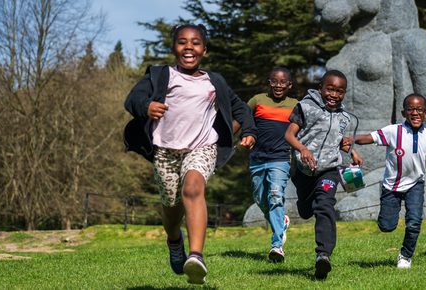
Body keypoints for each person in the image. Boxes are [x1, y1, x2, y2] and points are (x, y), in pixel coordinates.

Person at [123, 24, 256, 285]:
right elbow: (132, 99)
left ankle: (196, 257)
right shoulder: (160, 75)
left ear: (204, 50)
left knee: (193, 189)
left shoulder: (214, 81)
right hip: (165, 153)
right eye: (182, 42)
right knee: (172, 211)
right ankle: (174, 241)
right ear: (174, 47)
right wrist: (146, 105)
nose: (189, 47)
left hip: (202, 147)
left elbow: (240, 108)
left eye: (195, 43)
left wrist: (248, 130)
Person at [348, 93, 426, 269]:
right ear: (403, 113)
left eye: (419, 109)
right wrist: (352, 139)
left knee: (414, 221)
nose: (415, 113)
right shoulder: (393, 131)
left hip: (415, 184)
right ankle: (390, 216)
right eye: (411, 109)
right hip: (391, 186)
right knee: (386, 226)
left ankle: (405, 256)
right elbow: (370, 137)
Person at [285, 69, 363, 280]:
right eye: (330, 89)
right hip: (304, 169)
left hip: (329, 169)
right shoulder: (305, 107)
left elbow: (338, 139)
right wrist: (303, 149)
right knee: (306, 210)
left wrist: (352, 151)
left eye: (340, 91)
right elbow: (289, 135)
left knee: (325, 205)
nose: (334, 95)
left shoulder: (345, 116)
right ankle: (305, 204)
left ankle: (323, 255)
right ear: (320, 88)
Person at [246, 67, 297, 263]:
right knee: (260, 198)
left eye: (283, 82)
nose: (278, 85)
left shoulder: (295, 105)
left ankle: (277, 245)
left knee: (275, 195)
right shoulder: (257, 100)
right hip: (257, 158)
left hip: (281, 158)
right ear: (269, 82)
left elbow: (307, 127)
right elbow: (242, 119)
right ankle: (281, 222)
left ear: (289, 85)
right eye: (274, 81)